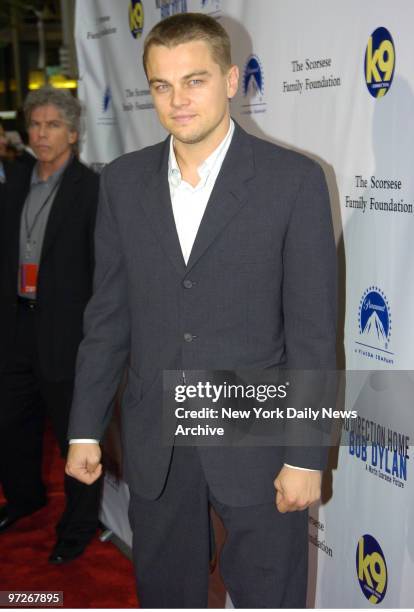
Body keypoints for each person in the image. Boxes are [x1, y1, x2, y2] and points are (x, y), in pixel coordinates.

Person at [66, 12, 337, 607]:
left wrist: (305, 453)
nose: (178, 100)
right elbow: (108, 316)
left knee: (271, 595)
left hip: (256, 433)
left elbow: (315, 333)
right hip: (154, 434)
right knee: (166, 594)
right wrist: (85, 426)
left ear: (232, 79)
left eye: (195, 80)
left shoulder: (294, 182)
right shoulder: (122, 182)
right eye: (162, 85)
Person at [0, 85, 101, 564]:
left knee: (73, 435)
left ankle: (78, 526)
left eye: (53, 125)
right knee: (10, 423)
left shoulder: (91, 190)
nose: (41, 134)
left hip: (66, 332)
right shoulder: (16, 178)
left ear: (74, 133)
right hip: (15, 325)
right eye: (35, 125)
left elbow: (101, 269)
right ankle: (23, 499)